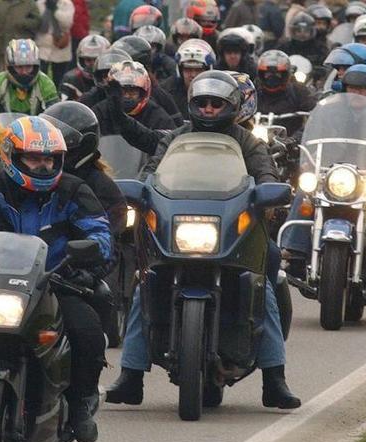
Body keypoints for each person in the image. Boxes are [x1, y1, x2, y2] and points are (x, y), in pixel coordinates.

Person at [105, 70, 302, 410]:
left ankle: (274, 378)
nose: (209, 110)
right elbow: (151, 172)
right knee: (145, 284)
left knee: (263, 283)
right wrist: (139, 191)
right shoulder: (176, 139)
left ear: (232, 106)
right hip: (179, 228)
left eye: (217, 104)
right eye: (203, 103)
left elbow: (265, 173)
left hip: (233, 231)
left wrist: (269, 193)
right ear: (192, 105)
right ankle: (131, 376)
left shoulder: (248, 141)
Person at [0, 115, 111, 442]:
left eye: (49, 159)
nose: (42, 167)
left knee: (88, 333)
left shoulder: (73, 190)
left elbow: (99, 232)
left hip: (54, 284)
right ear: (11, 156)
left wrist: (88, 262)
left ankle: (81, 402)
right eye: (33, 158)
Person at [282, 65, 366, 282]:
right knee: (305, 190)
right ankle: (295, 251)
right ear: (344, 88)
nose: (357, 94)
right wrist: (290, 143)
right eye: (352, 88)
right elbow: (307, 131)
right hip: (332, 172)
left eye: (362, 89)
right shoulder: (329, 109)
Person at [41, 100, 128, 234]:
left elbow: (107, 236)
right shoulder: (39, 175)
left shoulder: (101, 186)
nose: (51, 144)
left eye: (60, 139)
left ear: (85, 143)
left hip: (72, 253)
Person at [92, 60, 176, 151]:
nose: (127, 96)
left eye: (132, 91)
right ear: (113, 91)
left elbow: (169, 146)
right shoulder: (99, 112)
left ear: (143, 92)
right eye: (122, 91)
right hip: (105, 163)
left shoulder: (158, 115)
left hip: (146, 164)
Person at [0, 39, 60, 115]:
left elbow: (54, 116)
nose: (24, 72)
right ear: (10, 67)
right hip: (5, 126)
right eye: (19, 67)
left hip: (37, 126)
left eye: (28, 67)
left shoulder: (46, 84)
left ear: (35, 66)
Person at [255, 49, 317, 136]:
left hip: (290, 142)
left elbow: (315, 115)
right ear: (261, 74)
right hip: (257, 140)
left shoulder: (298, 91)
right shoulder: (254, 93)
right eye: (268, 73)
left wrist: (297, 137)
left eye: (277, 73)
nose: (272, 77)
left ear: (286, 74)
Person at [161, 39, 217, 118]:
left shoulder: (219, 92)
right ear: (180, 71)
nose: (193, 75)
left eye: (198, 70)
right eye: (188, 69)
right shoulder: (165, 92)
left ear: (208, 70)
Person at [0, 0, 42, 70]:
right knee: (3, 72)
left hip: (22, 47)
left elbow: (37, 21)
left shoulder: (29, 3)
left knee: (20, 72)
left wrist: (23, 23)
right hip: (1, 45)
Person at [36, 0, 76, 87]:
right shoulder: (40, 3)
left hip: (60, 47)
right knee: (40, 79)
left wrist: (55, 10)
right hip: (42, 47)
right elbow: (36, 22)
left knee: (58, 80)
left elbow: (68, 23)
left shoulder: (67, 3)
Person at [61, 34, 111, 100]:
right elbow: (64, 107)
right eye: (88, 59)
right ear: (82, 60)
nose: (92, 63)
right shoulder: (71, 79)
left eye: (96, 59)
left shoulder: (112, 78)